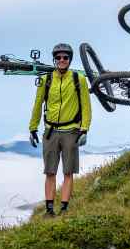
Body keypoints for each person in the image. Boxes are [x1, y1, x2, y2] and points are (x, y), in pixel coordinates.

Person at [29, 43, 92, 216]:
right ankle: (49, 209)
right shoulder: (46, 79)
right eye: (58, 57)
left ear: (70, 59)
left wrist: (85, 129)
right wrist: (32, 128)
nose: (62, 60)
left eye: (65, 57)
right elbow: (37, 104)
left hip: (71, 131)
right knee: (50, 172)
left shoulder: (78, 79)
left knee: (68, 172)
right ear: (54, 60)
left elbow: (86, 106)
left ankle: (64, 208)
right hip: (50, 131)